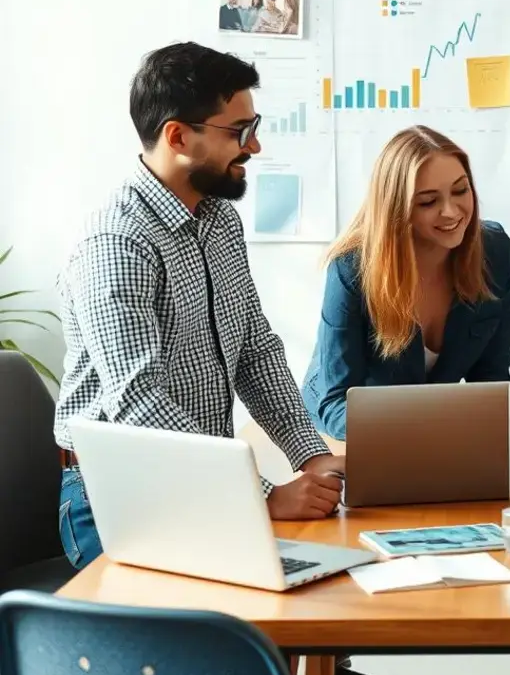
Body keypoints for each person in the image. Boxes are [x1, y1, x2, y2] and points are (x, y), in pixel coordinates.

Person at [53, 42, 345, 570]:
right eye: (239, 131)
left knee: (329, 582)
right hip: (116, 496)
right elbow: (140, 406)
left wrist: (313, 456)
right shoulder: (117, 242)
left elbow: (256, 350)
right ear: (178, 135)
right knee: (258, 615)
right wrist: (262, 497)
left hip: (199, 485)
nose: (254, 146)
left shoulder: (220, 221)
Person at [301, 126, 510, 441]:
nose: (451, 211)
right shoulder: (351, 269)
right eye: (428, 201)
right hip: (348, 432)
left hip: (430, 431)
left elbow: (492, 380)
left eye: (460, 190)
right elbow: (337, 400)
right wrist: (419, 432)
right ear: (396, 210)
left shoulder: (495, 252)